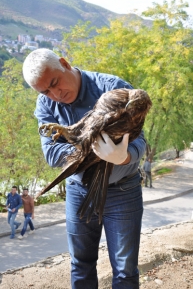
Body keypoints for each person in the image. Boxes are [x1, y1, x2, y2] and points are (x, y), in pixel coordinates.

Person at [22, 48, 146, 289]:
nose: (54, 94)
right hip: (79, 191)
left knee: (125, 269)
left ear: (65, 64)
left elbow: (140, 141)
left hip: (123, 191)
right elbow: (52, 153)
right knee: (80, 263)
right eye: (45, 91)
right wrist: (92, 152)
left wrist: (123, 156)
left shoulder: (112, 87)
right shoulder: (45, 104)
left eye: (55, 83)